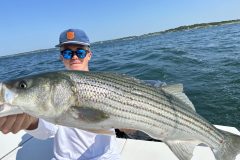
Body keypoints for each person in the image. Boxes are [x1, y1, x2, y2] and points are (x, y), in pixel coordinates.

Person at [0, 29, 121, 160]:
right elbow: (46, 131)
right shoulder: (55, 88)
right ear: (61, 57)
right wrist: (30, 121)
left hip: (106, 157)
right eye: (68, 53)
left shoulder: (107, 86)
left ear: (89, 55)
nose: (74, 57)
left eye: (80, 52)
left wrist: (126, 127)